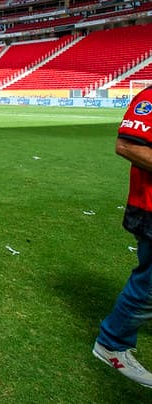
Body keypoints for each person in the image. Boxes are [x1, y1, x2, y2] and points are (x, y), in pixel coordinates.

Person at [94, 88, 152, 388]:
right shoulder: (149, 99)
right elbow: (127, 146)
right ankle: (112, 344)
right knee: (149, 285)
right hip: (150, 207)